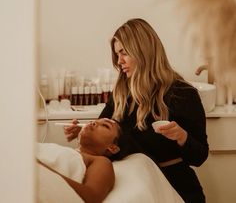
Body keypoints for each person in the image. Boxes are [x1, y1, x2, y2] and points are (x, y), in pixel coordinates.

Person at [65, 18, 209, 203]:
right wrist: (83, 132)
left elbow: (200, 157)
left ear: (143, 51)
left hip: (176, 186)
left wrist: (182, 137)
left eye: (123, 53)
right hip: (133, 182)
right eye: (117, 54)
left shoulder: (182, 94)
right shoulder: (121, 93)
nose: (119, 61)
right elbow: (105, 136)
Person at [38, 118, 121, 203]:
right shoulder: (63, 150)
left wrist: (37, 167)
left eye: (105, 125)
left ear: (112, 148)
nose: (93, 122)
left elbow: (91, 197)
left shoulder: (101, 161)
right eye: (95, 120)